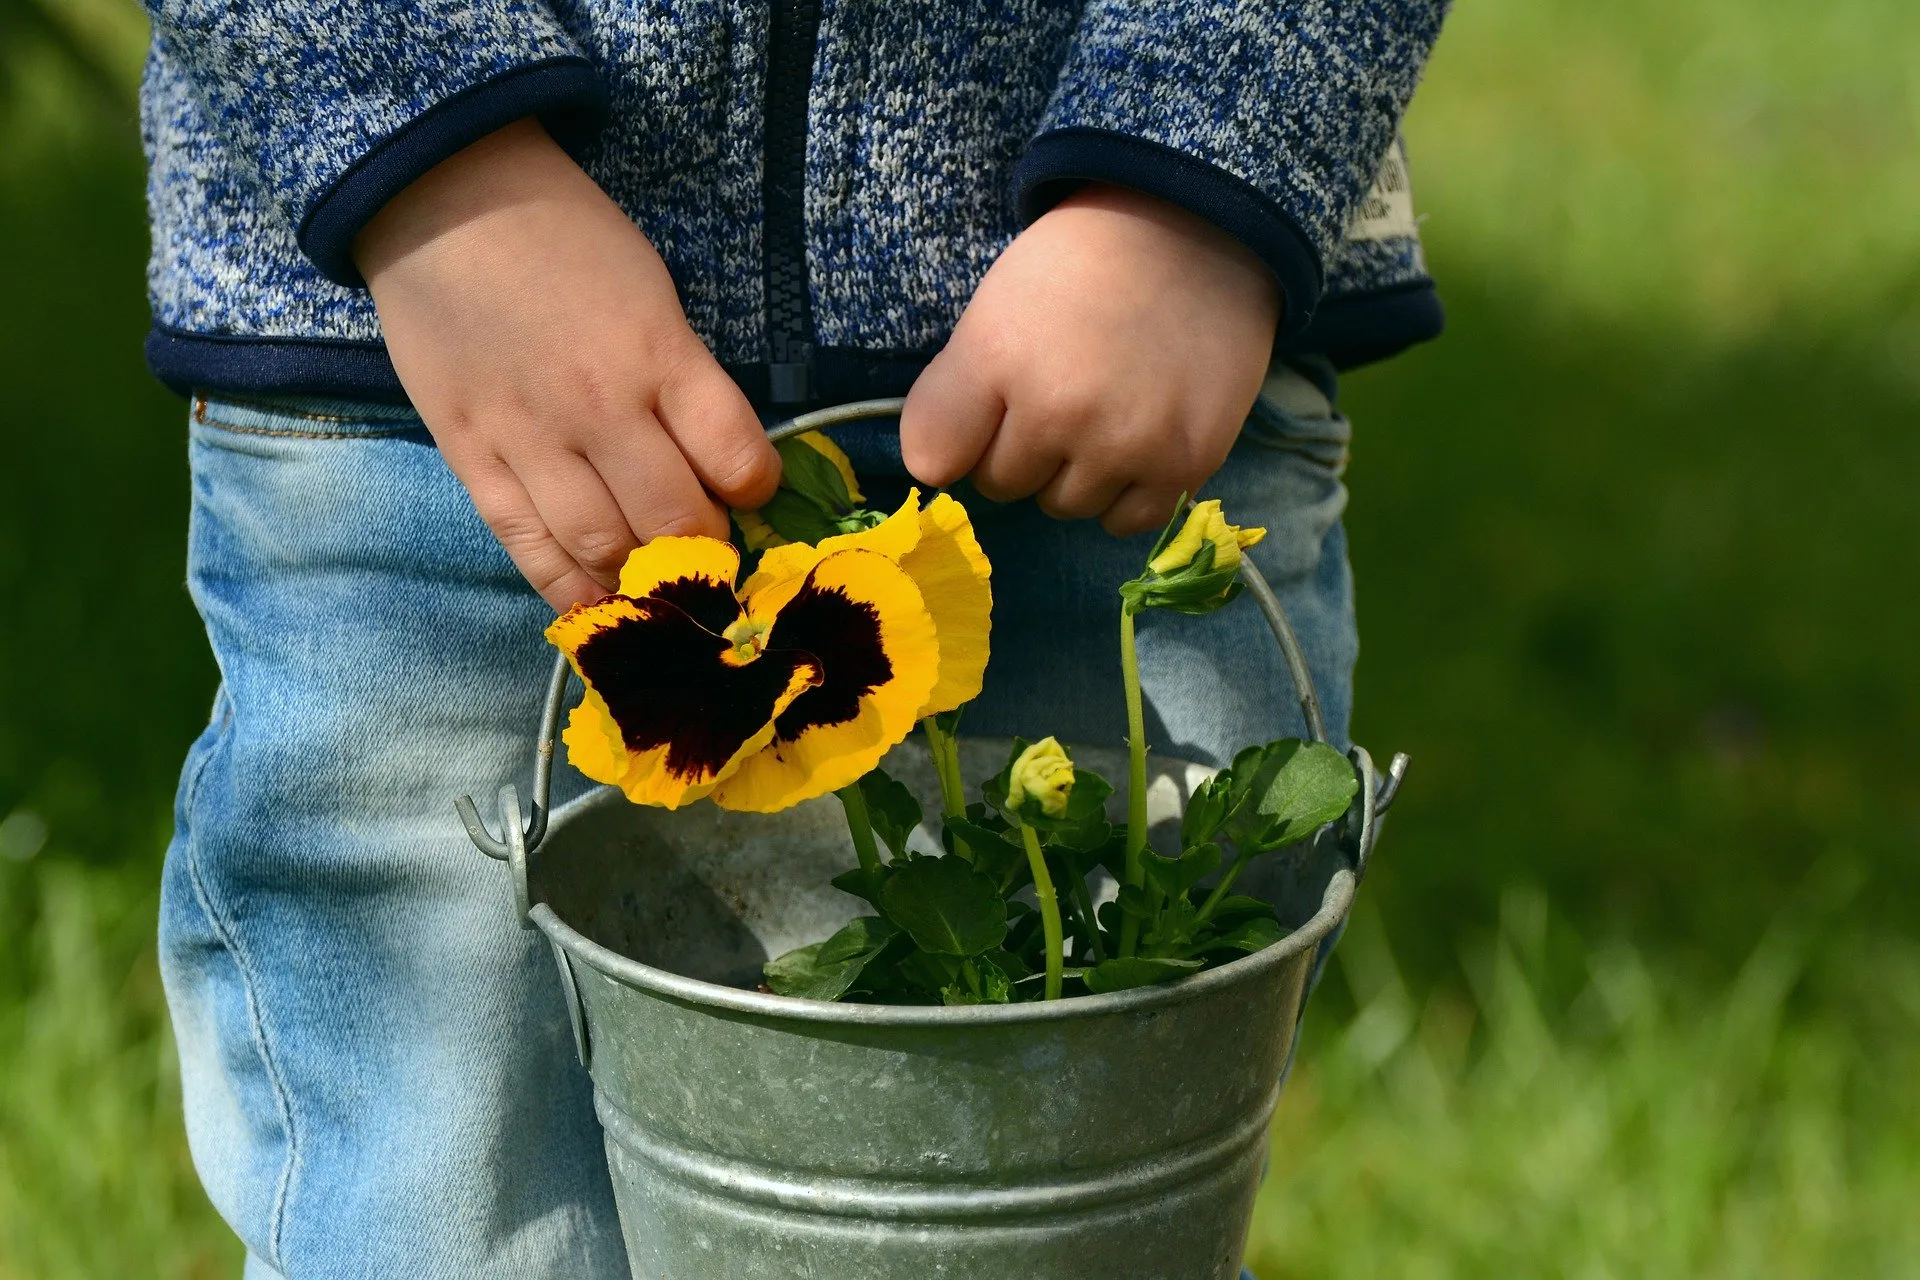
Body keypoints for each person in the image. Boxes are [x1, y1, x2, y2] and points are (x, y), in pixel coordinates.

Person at [141, 1, 1449, 1273]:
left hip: (1128, 345)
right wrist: (425, 150)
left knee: (1087, 1174)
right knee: (442, 1198)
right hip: (447, 349)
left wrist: (1201, 166)